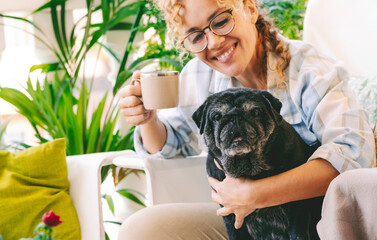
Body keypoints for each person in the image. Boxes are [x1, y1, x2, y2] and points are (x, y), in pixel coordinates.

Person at [116, 0, 376, 239]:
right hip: (245, 220)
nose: (214, 42)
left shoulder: (311, 70)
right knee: (142, 229)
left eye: (220, 21)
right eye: (196, 36)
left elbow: (353, 155)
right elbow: (170, 143)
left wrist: (255, 194)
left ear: (250, 9)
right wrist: (147, 120)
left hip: (318, 220)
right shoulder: (197, 76)